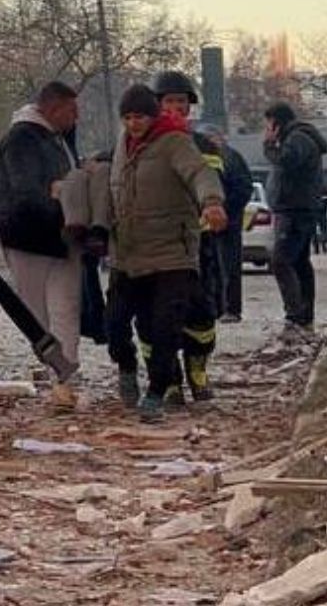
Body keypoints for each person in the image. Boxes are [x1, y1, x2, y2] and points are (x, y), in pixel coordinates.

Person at [108, 85, 227, 423]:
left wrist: (212, 203)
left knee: (164, 327)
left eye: (140, 117)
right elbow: (108, 185)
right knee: (115, 322)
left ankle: (157, 392)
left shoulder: (175, 142)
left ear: (152, 116)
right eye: (127, 117)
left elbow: (199, 173)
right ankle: (126, 366)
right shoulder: (121, 146)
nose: (133, 124)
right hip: (127, 254)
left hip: (171, 253)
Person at [0, 81, 84, 404]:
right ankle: (56, 366)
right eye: (73, 110)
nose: (77, 117)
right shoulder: (22, 138)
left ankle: (65, 371)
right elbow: (25, 190)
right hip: (29, 236)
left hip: (57, 236)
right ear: (54, 109)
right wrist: (60, 200)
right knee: (38, 312)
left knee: (65, 306)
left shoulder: (57, 138)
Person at [150, 71, 221, 402]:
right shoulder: (142, 142)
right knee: (156, 316)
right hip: (157, 244)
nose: (176, 108)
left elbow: (218, 185)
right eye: (169, 102)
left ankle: (197, 367)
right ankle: (169, 378)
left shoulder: (205, 146)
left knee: (201, 313)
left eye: (181, 102)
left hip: (197, 243)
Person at [263, 102, 327, 336]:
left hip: (294, 211)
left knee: (281, 261)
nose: (267, 129)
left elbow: (285, 161)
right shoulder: (301, 137)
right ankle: (304, 316)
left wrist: (269, 144)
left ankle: (295, 316)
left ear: (277, 123)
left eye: (269, 124)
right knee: (299, 262)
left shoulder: (297, 138)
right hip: (300, 209)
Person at [196, 122, 255, 323]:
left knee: (229, 265)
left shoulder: (230, 158)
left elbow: (243, 187)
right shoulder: (206, 159)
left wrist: (226, 210)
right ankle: (218, 307)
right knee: (213, 266)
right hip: (207, 222)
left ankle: (232, 308)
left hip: (227, 221)